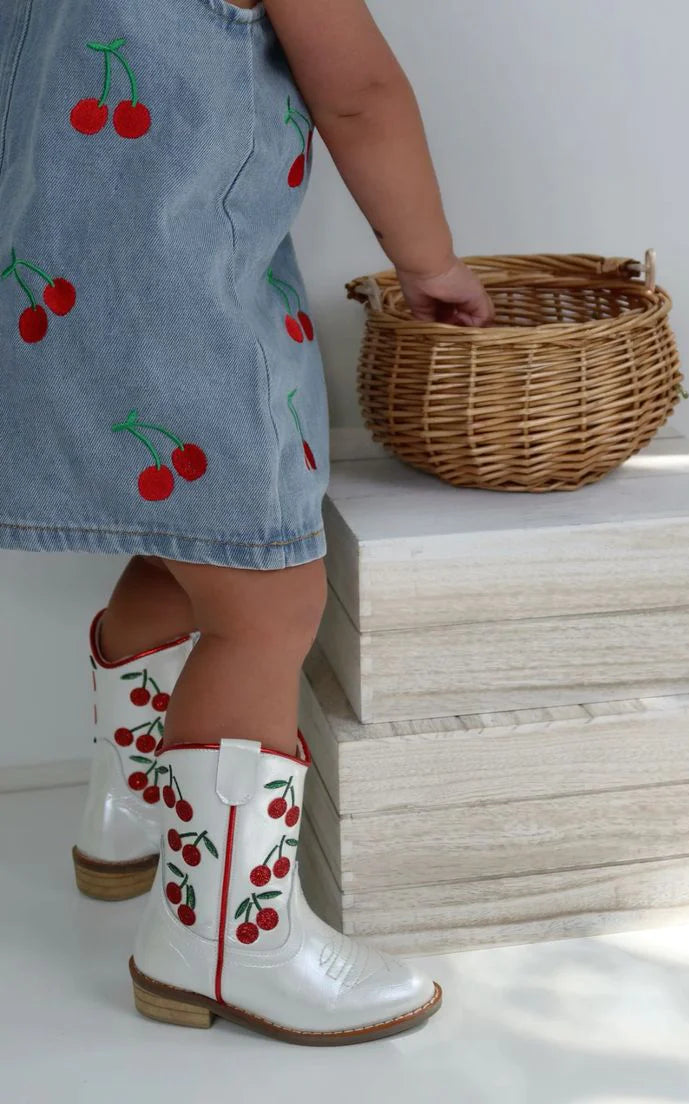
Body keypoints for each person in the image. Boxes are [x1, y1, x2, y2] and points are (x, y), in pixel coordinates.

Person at [0, 0, 493, 1045]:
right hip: (188, 320)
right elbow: (358, 94)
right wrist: (430, 263)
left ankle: (127, 815)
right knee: (269, 604)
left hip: (41, 304)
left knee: (184, 551)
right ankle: (224, 939)